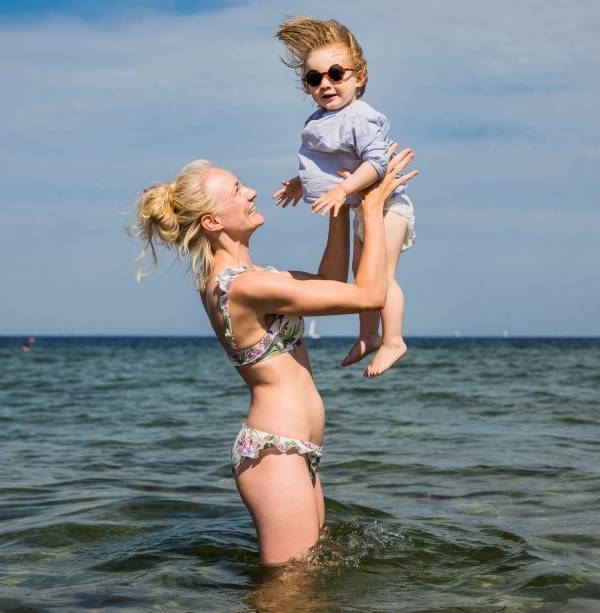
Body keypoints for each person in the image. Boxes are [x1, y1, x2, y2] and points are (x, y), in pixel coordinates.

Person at [130, 146, 416, 565]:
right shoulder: (243, 288)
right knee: (288, 595)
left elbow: (329, 282)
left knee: (307, 586)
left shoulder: (255, 279)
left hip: (295, 450)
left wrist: (340, 201)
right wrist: (371, 208)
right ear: (212, 221)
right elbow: (368, 295)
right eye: (237, 189)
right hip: (275, 452)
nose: (252, 193)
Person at [273, 17, 416, 378]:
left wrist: (343, 189)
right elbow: (327, 164)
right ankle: (368, 335)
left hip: (389, 206)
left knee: (382, 274)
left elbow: (377, 163)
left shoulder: (360, 117)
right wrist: (300, 183)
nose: (326, 83)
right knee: (361, 275)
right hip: (363, 209)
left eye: (336, 74)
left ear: (359, 77)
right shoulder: (319, 121)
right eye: (314, 78)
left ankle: (394, 340)